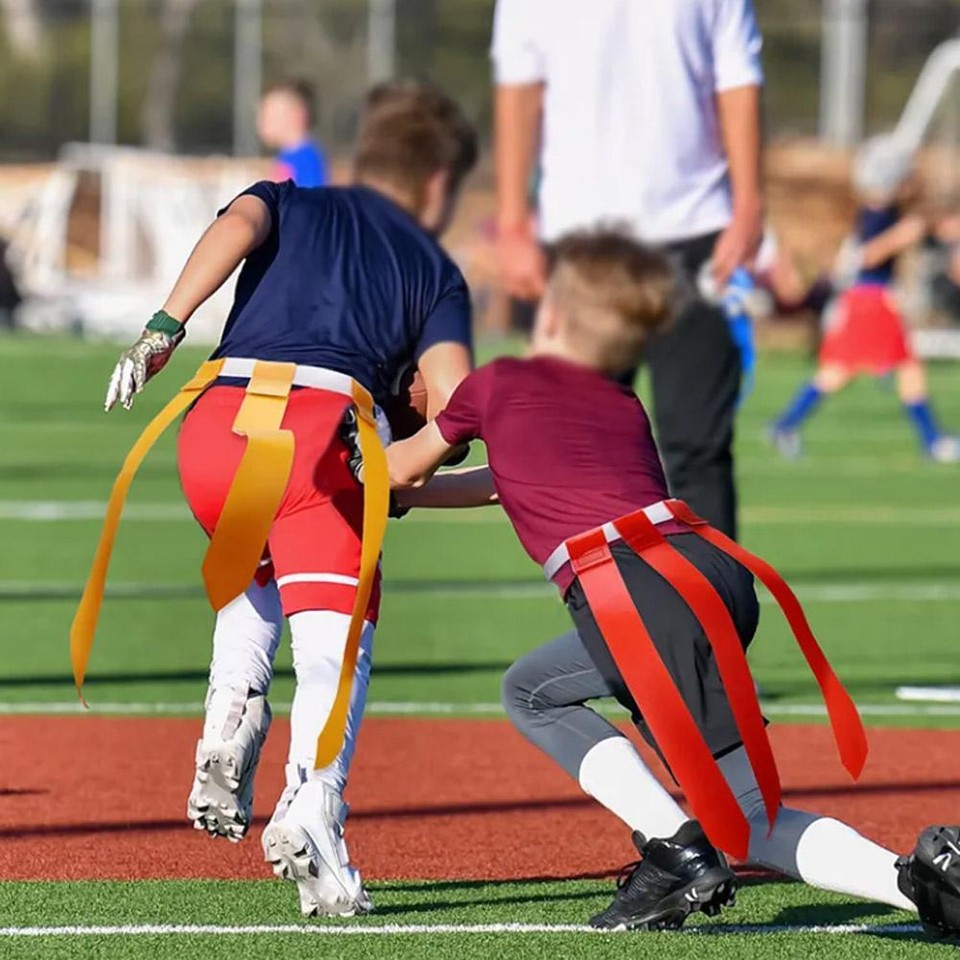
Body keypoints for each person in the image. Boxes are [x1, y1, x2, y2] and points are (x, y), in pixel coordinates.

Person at [384, 230, 960, 935]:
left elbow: (400, 467)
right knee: (750, 818)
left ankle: (676, 849)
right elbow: (506, 481)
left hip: (634, 590)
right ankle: (925, 882)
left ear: (552, 313)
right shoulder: (619, 398)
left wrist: (359, 451)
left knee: (530, 694)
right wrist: (411, 497)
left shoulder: (495, 381)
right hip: (707, 570)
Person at [99, 81, 477, 917]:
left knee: (258, 563)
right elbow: (456, 407)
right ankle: (314, 805)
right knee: (337, 637)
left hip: (215, 425)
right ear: (439, 183)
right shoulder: (433, 268)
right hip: (322, 431)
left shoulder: (288, 197)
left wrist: (164, 327)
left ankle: (229, 721)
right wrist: (421, 461)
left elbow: (236, 227)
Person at [490, 0, 766, 539]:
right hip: (579, 240)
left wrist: (749, 205)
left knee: (699, 447)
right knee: (576, 450)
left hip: (697, 230)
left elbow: (738, 80)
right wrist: (513, 223)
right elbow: (519, 90)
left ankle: (710, 593)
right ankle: (600, 592)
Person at [770, 136, 959, 462]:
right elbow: (868, 255)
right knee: (902, 368)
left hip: (866, 300)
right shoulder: (878, 216)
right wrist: (902, 236)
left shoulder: (887, 211)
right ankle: (933, 441)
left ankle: (786, 424)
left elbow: (931, 226)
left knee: (842, 371)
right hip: (872, 299)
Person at [258, 80, 329, 187]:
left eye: (270, 114)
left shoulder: (306, 160)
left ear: (297, 115)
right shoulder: (286, 157)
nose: (262, 122)